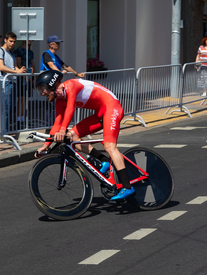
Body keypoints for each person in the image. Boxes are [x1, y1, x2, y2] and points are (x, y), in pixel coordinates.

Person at [34, 70, 135, 201]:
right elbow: (57, 123)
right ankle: (103, 160)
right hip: (100, 113)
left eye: (43, 89)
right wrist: (45, 145)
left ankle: (127, 186)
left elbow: (70, 109)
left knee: (110, 146)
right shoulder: (59, 100)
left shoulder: (71, 86)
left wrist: (63, 130)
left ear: (51, 85)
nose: (42, 94)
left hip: (112, 107)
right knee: (72, 137)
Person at [0, 31, 27, 130]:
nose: (12, 43)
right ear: (5, 40)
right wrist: (16, 72)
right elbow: (2, 67)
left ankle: (5, 131)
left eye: (14, 42)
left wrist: (22, 70)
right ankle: (4, 133)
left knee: (10, 108)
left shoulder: (11, 54)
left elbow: (15, 67)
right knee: (5, 109)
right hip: (4, 82)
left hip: (12, 82)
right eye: (11, 41)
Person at [14, 40, 36, 130]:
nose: (31, 41)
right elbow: (18, 64)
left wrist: (33, 77)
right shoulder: (18, 50)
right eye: (29, 39)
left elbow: (32, 63)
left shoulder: (31, 52)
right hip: (22, 78)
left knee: (26, 98)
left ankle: (23, 119)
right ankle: (18, 120)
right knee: (21, 98)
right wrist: (24, 76)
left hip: (29, 77)